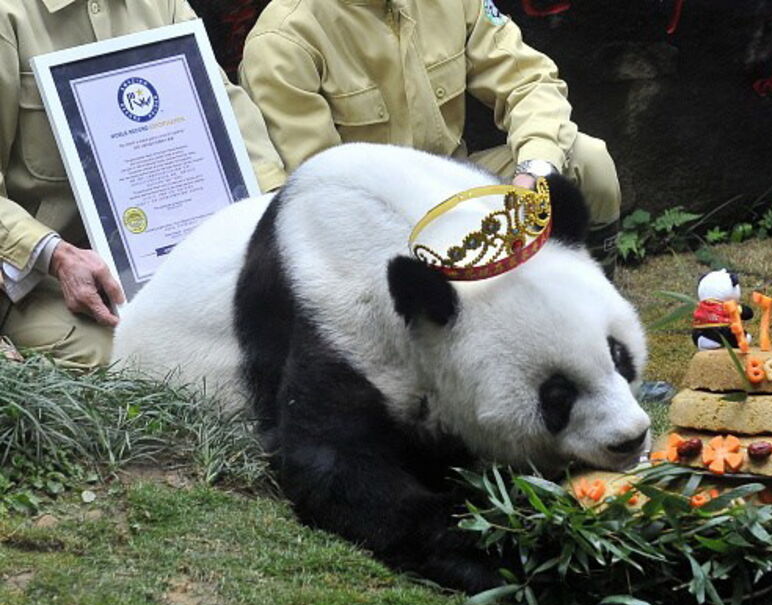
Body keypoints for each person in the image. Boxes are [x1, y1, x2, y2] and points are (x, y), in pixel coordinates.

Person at [0, 0, 286, 369]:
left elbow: (223, 105)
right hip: (50, 278)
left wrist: (275, 204)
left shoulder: (163, 3)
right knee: (139, 367)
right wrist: (56, 255)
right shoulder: (9, 17)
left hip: (182, 254)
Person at [239, 0, 621, 276]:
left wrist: (534, 171)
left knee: (588, 163)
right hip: (373, 235)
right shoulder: (281, 43)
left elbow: (529, 81)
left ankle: (602, 331)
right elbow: (321, 197)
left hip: (461, 188)